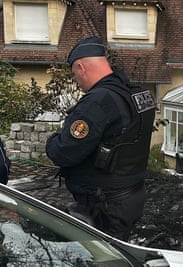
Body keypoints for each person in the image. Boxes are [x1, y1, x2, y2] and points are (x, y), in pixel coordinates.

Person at [46, 36, 156, 241]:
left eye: (74, 74)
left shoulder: (99, 101)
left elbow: (64, 151)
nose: (77, 81)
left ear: (81, 67)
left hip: (104, 206)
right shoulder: (138, 94)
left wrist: (52, 141)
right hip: (131, 195)